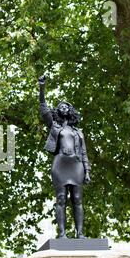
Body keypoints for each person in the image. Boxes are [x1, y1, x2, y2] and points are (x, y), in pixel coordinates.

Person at [38, 75, 91, 239]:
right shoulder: (53, 126)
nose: (64, 108)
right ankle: (62, 235)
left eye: (67, 106)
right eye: (61, 106)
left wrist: (87, 171)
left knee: (77, 199)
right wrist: (42, 88)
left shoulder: (78, 132)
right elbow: (43, 108)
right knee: (61, 199)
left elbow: (84, 153)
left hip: (77, 166)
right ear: (58, 111)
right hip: (60, 164)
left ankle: (80, 234)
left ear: (71, 111)